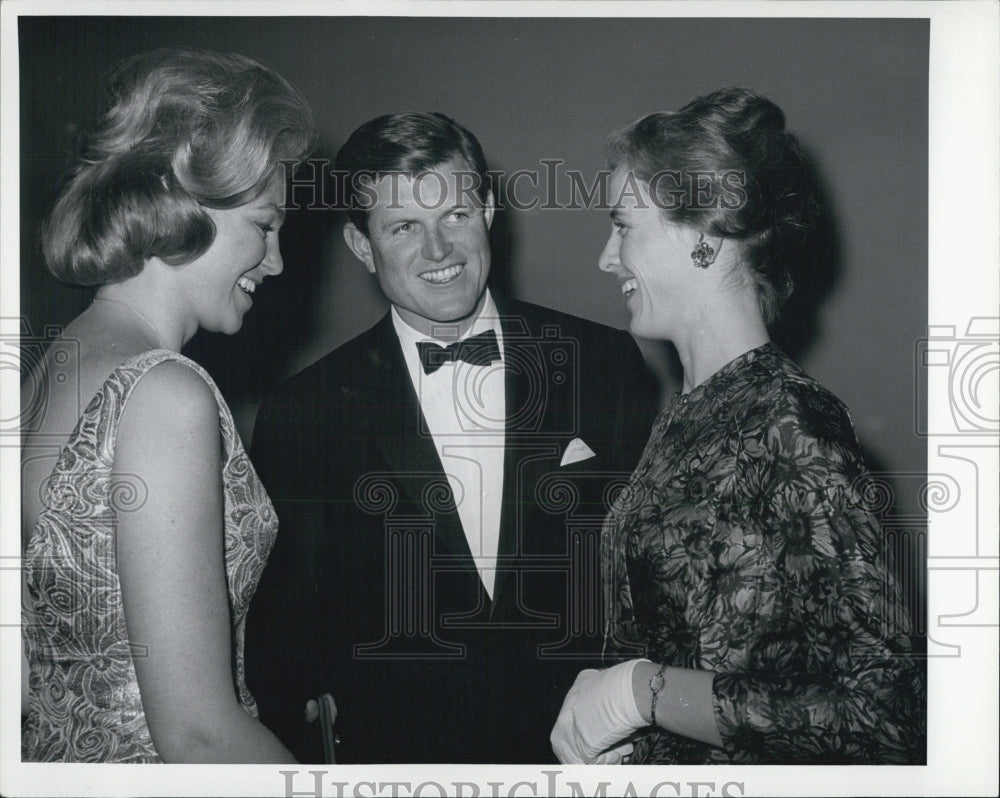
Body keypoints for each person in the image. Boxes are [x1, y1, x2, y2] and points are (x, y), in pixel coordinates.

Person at [246, 112, 658, 763]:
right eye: (404, 227)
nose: (438, 251)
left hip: (592, 756)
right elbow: (286, 648)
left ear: (489, 211)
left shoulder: (603, 362)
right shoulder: (305, 411)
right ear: (361, 245)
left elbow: (650, 579)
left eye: (456, 216)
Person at [550, 87, 926, 765]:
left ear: (701, 236)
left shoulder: (789, 418)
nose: (607, 258)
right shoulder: (687, 413)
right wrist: (632, 730)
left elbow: (888, 711)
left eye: (624, 225)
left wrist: (642, 692)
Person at [20, 48, 314, 763]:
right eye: (265, 226)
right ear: (183, 203)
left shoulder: (60, 361)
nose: (276, 262)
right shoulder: (162, 393)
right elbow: (200, 734)